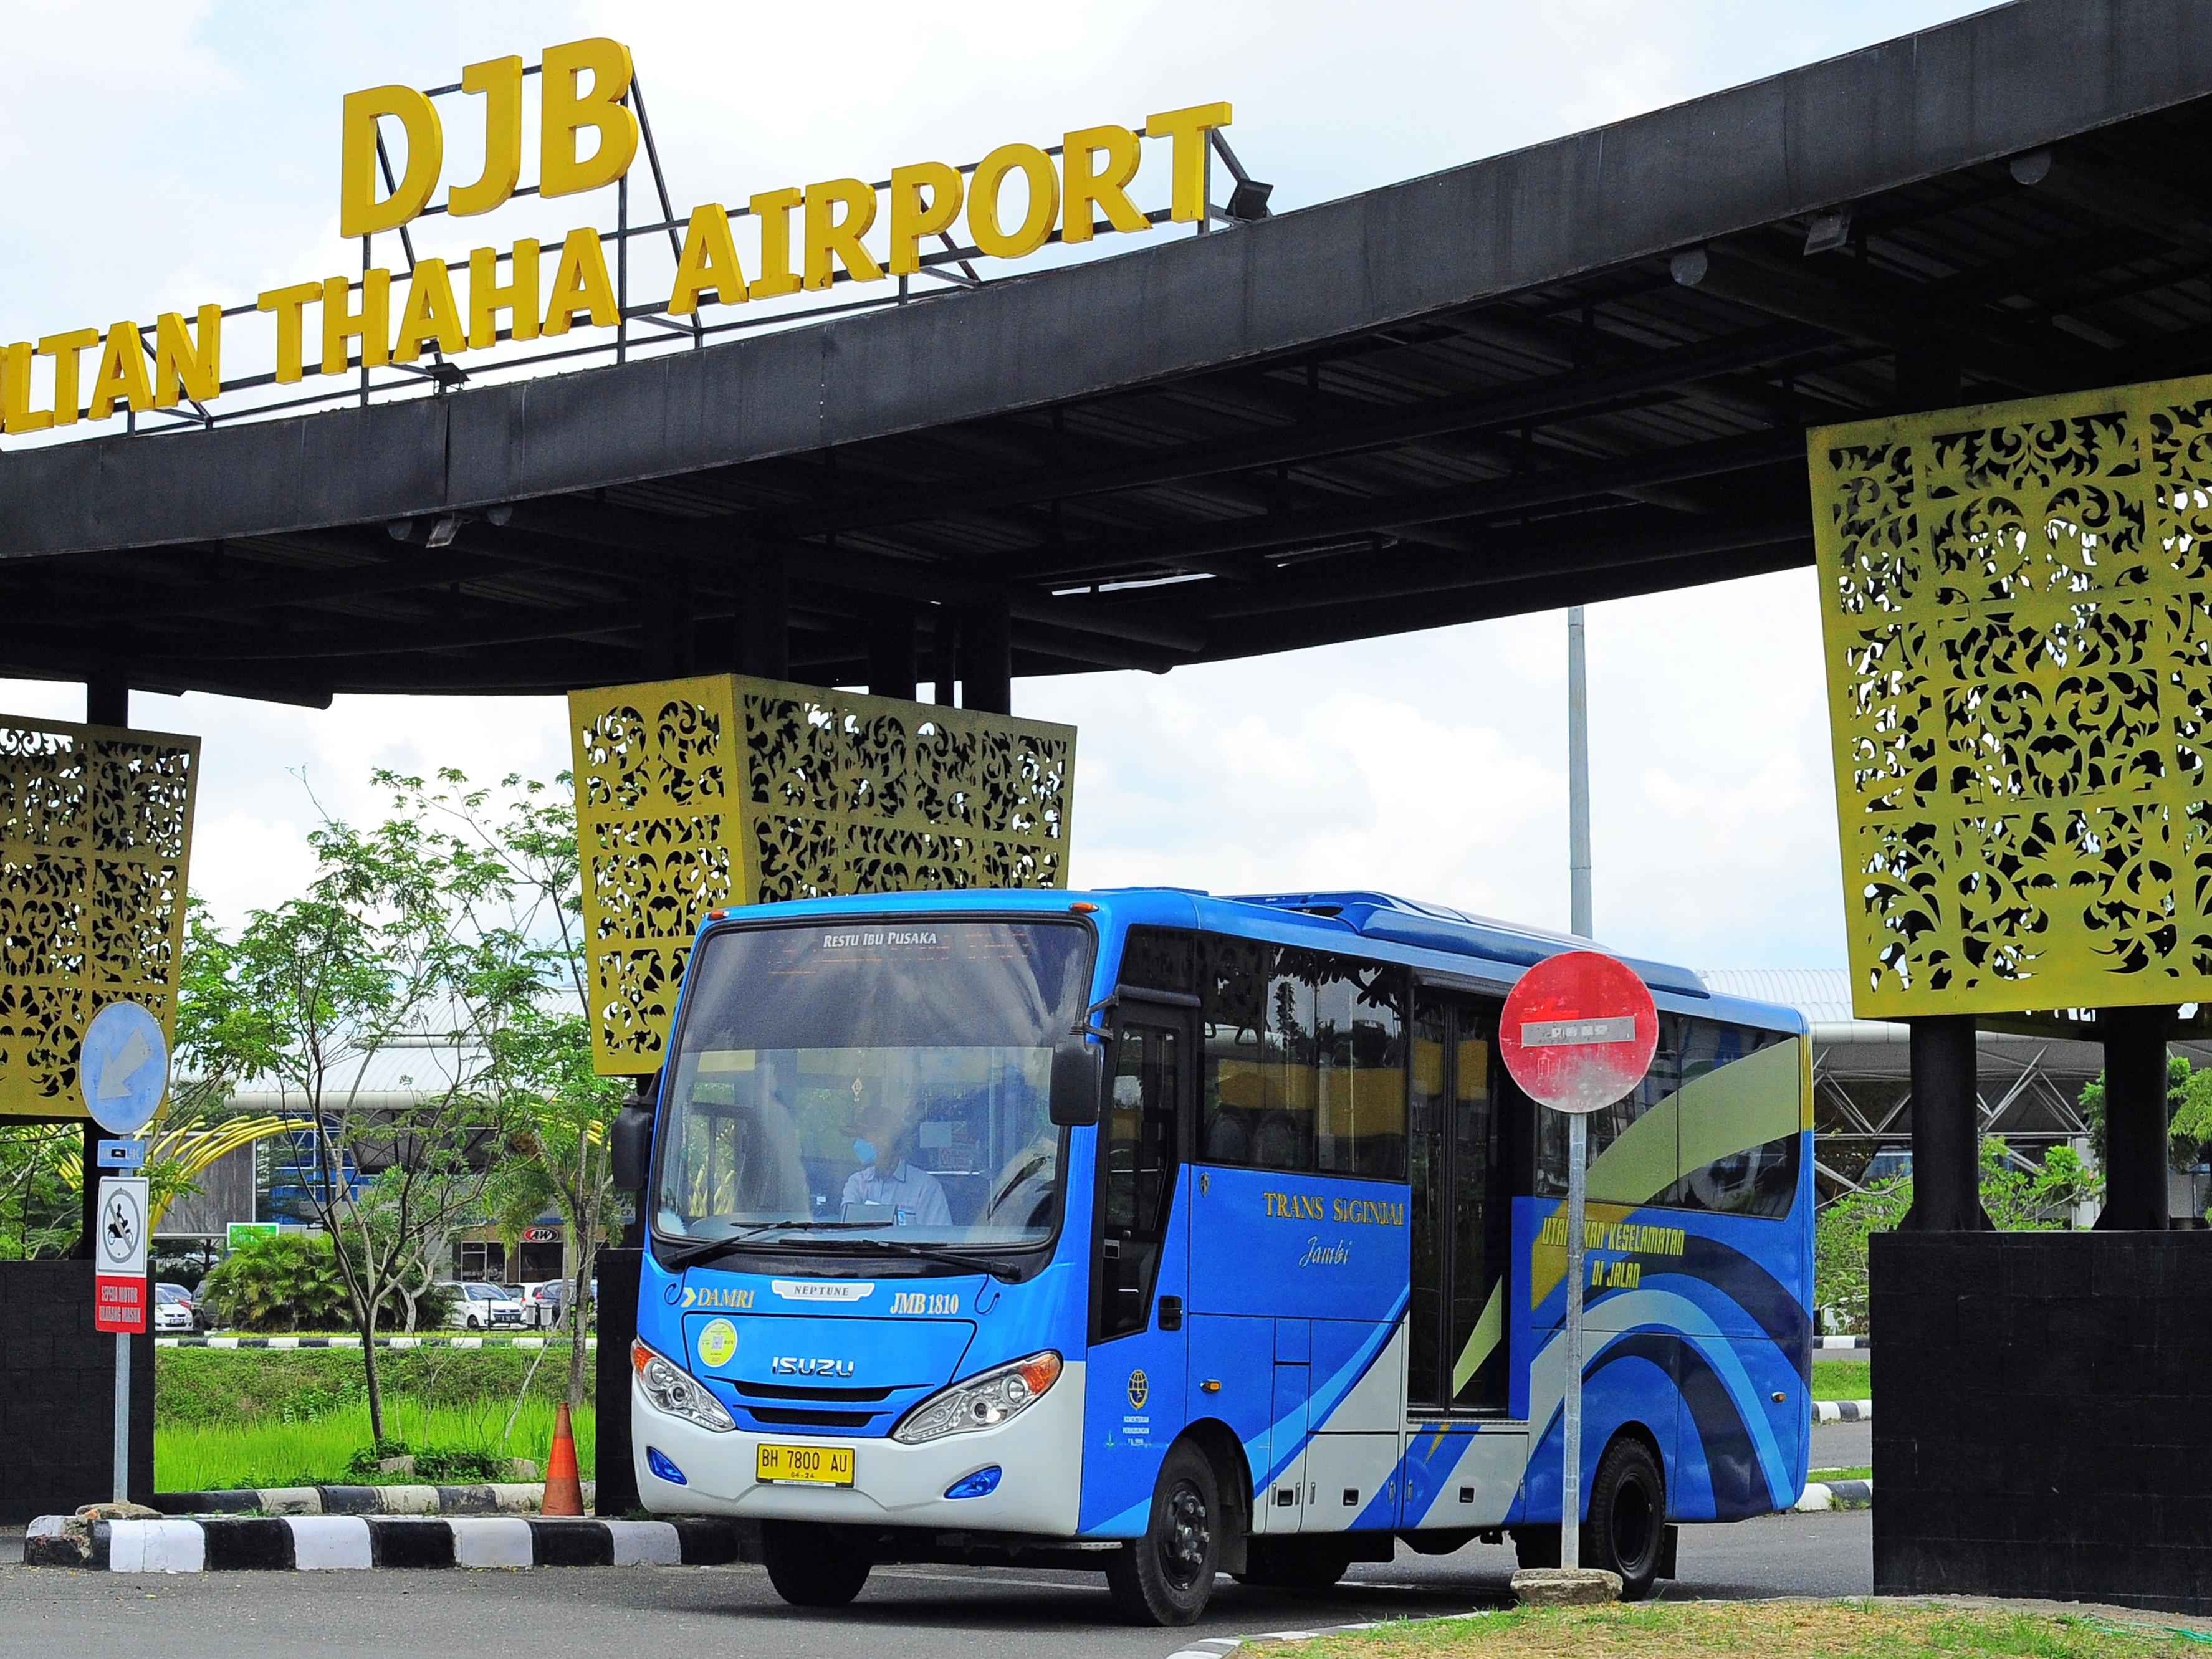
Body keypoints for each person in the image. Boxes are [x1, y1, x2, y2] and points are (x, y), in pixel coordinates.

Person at [840, 1106, 951, 1228]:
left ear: (886, 1139)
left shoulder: (926, 1187)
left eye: (863, 1137)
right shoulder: (857, 1182)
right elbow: (846, 1229)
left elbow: (940, 1237)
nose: (858, 1143)